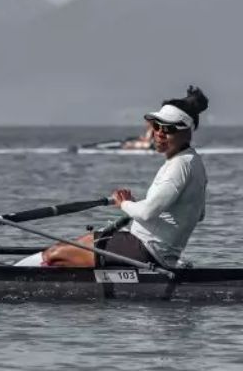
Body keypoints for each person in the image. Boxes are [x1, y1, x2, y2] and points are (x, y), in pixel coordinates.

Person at [15, 86, 209, 269]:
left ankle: (10, 277)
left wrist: (124, 204)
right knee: (75, 244)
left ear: (187, 131)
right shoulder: (194, 162)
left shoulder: (178, 166)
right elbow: (197, 214)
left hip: (144, 251)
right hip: (146, 246)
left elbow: (148, 213)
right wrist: (138, 206)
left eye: (169, 129)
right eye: (157, 126)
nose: (159, 133)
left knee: (55, 254)